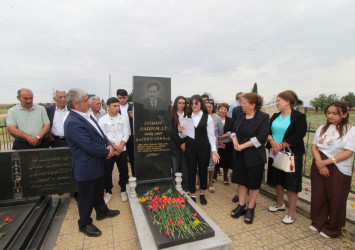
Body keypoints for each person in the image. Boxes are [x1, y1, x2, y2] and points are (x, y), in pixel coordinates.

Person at [64, 88, 119, 237]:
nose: (89, 102)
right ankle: (84, 223)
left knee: (97, 191)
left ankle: (102, 212)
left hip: (97, 163)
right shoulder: (72, 122)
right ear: (75, 104)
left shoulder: (87, 115)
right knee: (86, 197)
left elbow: (101, 133)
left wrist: (108, 144)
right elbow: (88, 145)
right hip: (86, 166)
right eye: (85, 100)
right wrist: (108, 151)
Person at [310, 101, 355, 238]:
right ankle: (318, 221)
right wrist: (320, 163)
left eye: (335, 113)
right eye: (328, 113)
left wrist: (326, 163)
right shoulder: (322, 128)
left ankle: (334, 228)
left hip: (338, 166)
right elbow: (314, 146)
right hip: (319, 164)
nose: (330, 116)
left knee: (337, 197)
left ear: (345, 114)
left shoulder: (350, 130)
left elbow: (348, 152)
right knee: (319, 195)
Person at [266, 90, 307, 224]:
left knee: (291, 183)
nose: (276, 103)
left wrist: (283, 145)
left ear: (288, 101)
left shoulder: (298, 117)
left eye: (279, 101)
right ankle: (279, 203)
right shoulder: (275, 116)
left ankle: (292, 212)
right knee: (277, 179)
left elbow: (299, 133)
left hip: (290, 154)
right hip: (275, 152)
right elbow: (267, 130)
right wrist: (272, 142)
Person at [230, 93, 269, 224]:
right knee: (241, 180)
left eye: (244, 103)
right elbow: (234, 130)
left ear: (252, 105)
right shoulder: (241, 116)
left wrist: (243, 146)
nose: (241, 105)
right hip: (240, 154)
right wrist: (235, 141)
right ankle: (241, 205)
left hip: (255, 156)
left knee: (253, 183)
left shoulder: (263, 117)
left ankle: (251, 208)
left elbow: (262, 137)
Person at [178, 95, 220, 205]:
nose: (193, 105)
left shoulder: (207, 117)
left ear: (200, 103)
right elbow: (183, 136)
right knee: (191, 169)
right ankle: (192, 193)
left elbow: (212, 136)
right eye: (191, 103)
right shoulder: (187, 117)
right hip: (190, 147)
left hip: (203, 147)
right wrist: (180, 131)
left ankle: (202, 193)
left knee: (202, 169)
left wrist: (214, 151)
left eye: (196, 103)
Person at [98, 97, 130, 204]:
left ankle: (123, 190)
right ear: (108, 107)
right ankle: (108, 191)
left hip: (122, 149)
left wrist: (120, 147)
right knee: (107, 171)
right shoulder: (102, 120)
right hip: (110, 150)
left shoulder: (123, 119)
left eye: (118, 106)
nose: (117, 108)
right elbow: (103, 136)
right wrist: (115, 148)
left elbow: (126, 133)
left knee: (124, 171)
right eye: (114, 106)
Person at [204, 99, 223, 193]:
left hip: (213, 146)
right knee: (200, 165)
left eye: (210, 107)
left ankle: (210, 183)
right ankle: (199, 182)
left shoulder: (217, 118)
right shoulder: (200, 116)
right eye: (206, 106)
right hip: (202, 144)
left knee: (212, 164)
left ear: (213, 108)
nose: (208, 108)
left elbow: (220, 131)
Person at [170, 96, 189, 191]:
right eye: (179, 103)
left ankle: (185, 187)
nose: (181, 105)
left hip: (186, 145)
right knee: (175, 166)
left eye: (183, 103)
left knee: (185, 167)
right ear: (176, 103)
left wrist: (185, 143)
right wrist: (180, 143)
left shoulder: (188, 114)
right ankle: (175, 187)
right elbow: (172, 131)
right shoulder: (171, 115)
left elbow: (190, 131)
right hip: (175, 145)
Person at [116, 89, 135, 177]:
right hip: (120, 138)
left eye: (124, 97)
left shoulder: (133, 106)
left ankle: (135, 177)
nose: (122, 100)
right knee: (122, 161)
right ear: (117, 97)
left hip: (131, 137)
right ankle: (125, 179)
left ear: (127, 97)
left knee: (133, 159)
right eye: (120, 98)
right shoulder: (115, 107)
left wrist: (133, 116)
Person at [216, 103, 234, 184]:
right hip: (216, 143)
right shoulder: (214, 119)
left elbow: (232, 131)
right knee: (216, 159)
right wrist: (218, 140)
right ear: (218, 109)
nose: (223, 111)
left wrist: (223, 137)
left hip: (227, 143)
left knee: (226, 160)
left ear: (227, 111)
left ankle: (225, 177)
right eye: (221, 109)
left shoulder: (230, 120)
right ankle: (214, 176)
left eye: (225, 109)